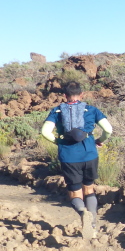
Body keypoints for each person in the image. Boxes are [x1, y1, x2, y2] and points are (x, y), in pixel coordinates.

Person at [41, 82, 113, 239]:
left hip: (69, 157)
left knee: (75, 192)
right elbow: (108, 130)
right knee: (89, 189)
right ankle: (92, 225)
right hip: (90, 154)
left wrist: (58, 142)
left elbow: (45, 132)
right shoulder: (91, 110)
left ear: (65, 96)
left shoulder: (57, 111)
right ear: (82, 95)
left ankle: (82, 212)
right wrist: (99, 140)